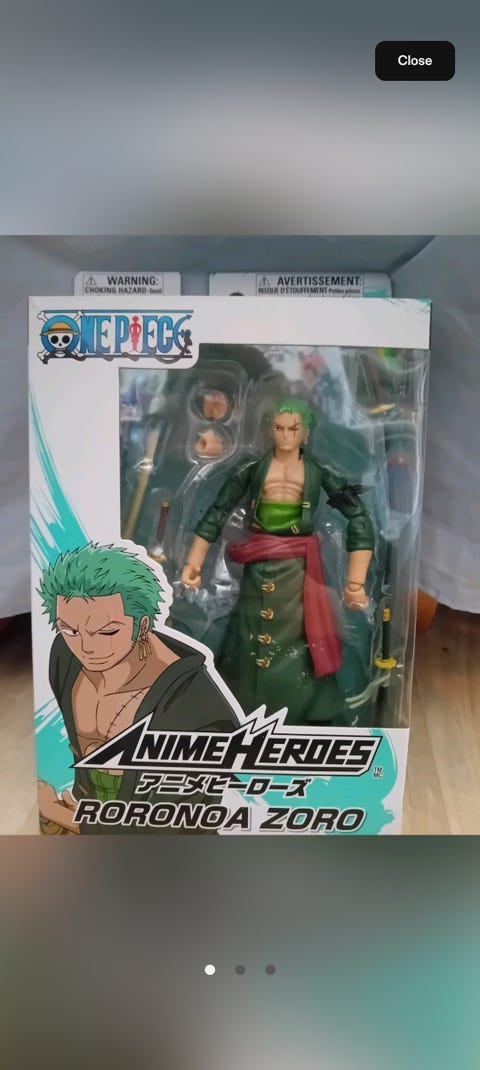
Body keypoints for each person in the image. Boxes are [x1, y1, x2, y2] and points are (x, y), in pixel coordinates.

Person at [181, 399, 374, 725]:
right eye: (280, 428)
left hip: (299, 569)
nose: (286, 435)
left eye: (293, 428)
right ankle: (240, 706)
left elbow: (359, 518)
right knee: (247, 632)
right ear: (270, 430)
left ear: (306, 432)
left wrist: (355, 582)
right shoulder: (251, 469)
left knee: (300, 637)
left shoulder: (319, 472)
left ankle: (298, 711)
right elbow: (216, 514)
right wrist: (194, 562)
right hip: (256, 563)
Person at [37, 543, 240, 834]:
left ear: (142, 625)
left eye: (106, 631)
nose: (86, 647)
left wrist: (55, 811)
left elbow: (162, 832)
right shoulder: (64, 656)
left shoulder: (198, 713)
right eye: (70, 630)